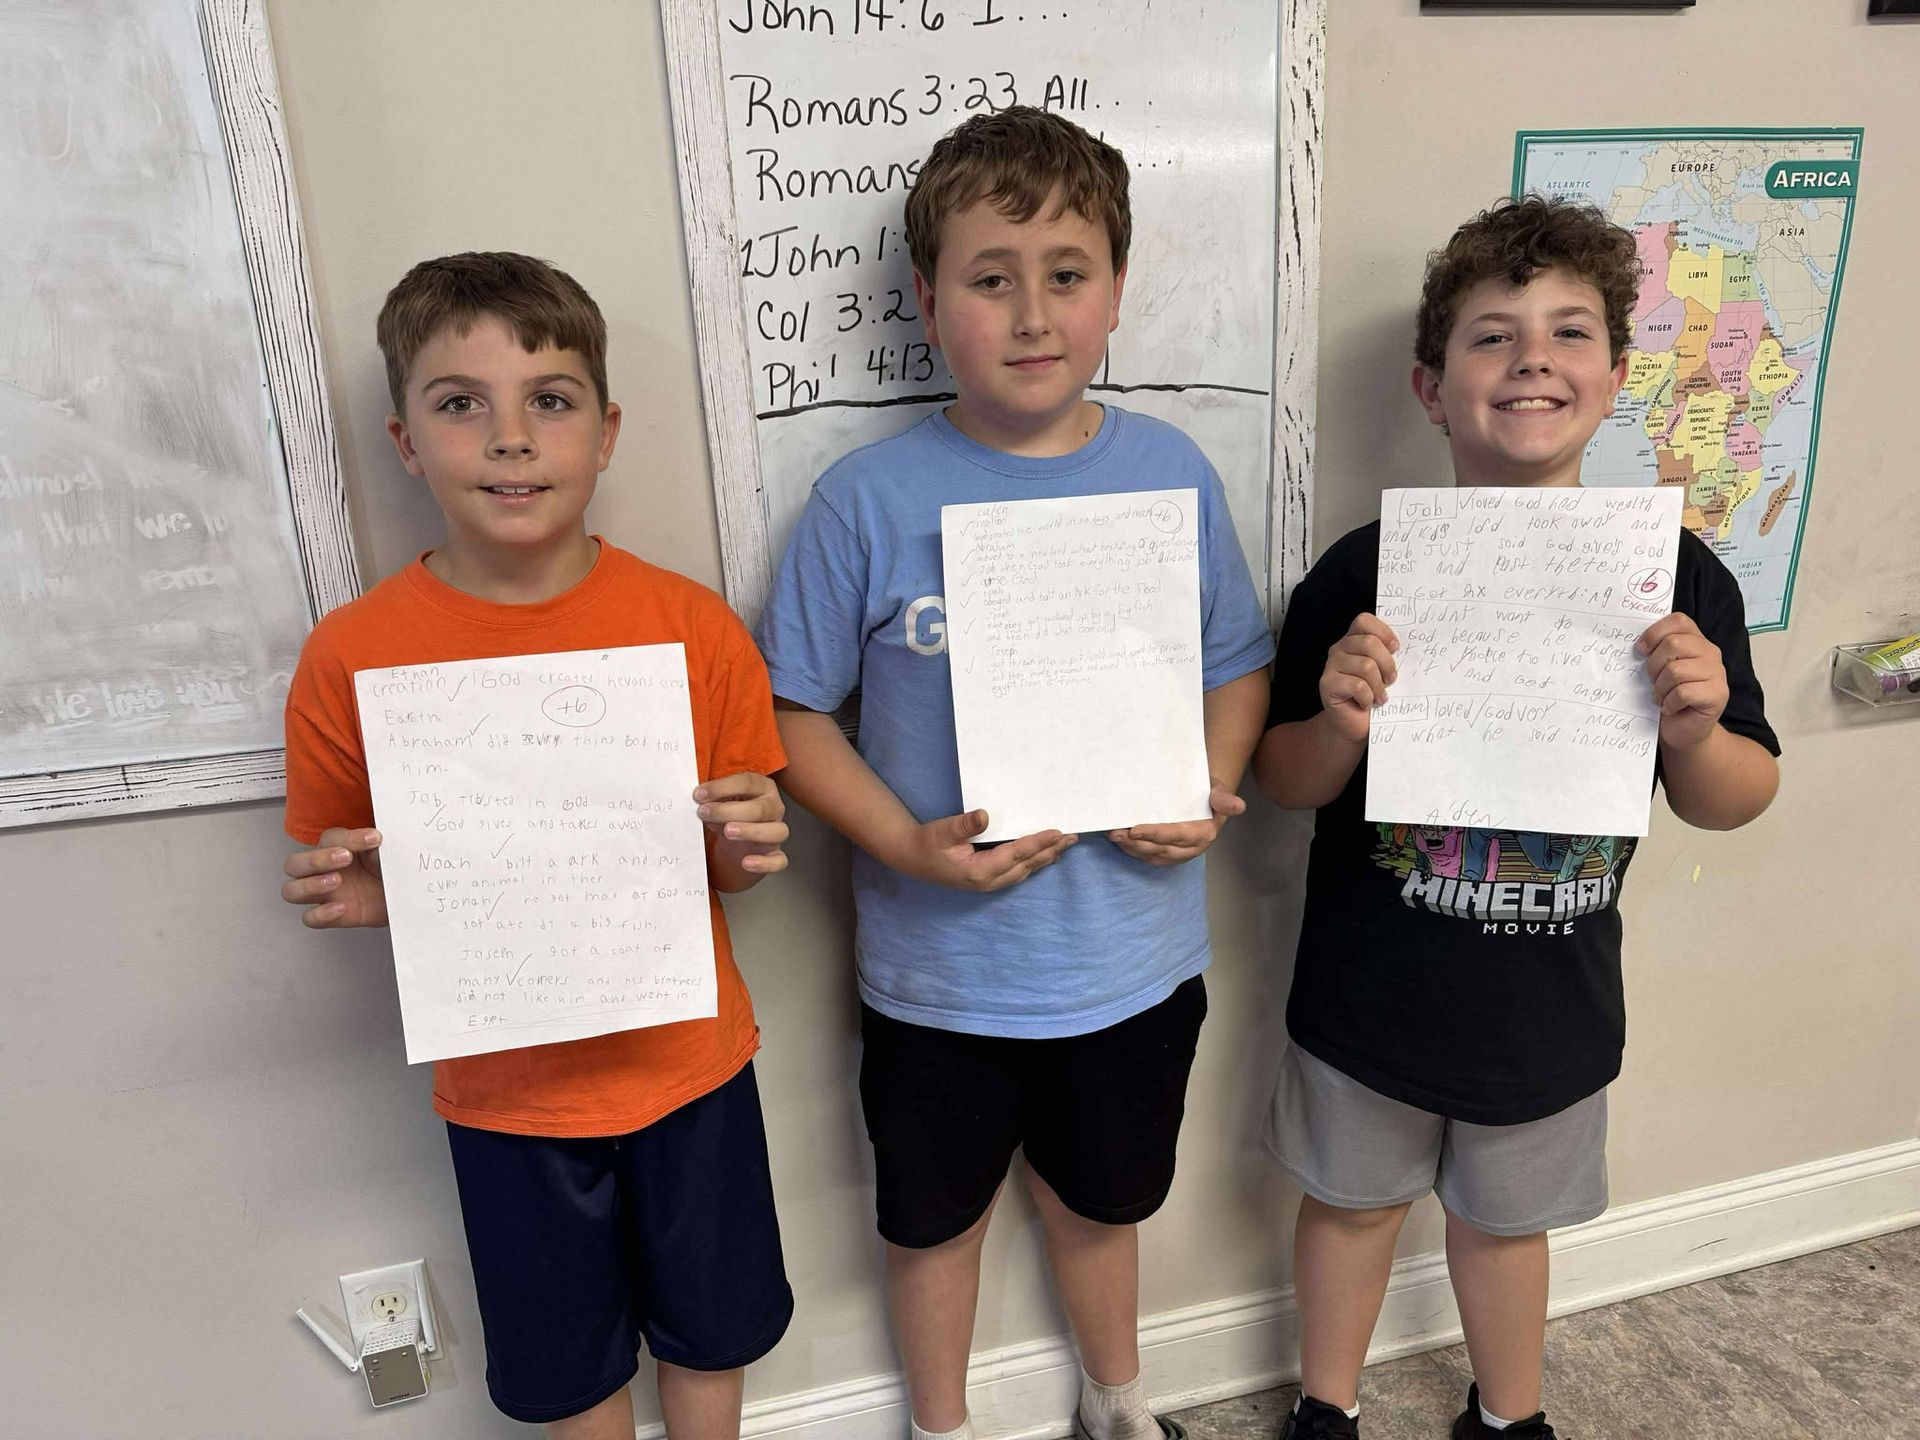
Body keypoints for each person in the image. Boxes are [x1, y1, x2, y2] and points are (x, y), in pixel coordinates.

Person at [755, 108, 1275, 1440]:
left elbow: (1234, 661)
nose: (1032, 312)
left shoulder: (1169, 475)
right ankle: (943, 1426)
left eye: (1067, 273)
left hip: (1128, 960)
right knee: (934, 1225)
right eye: (992, 279)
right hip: (941, 975)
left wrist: (1207, 786)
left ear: (1115, 290)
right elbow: (793, 712)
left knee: (1102, 1205)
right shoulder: (868, 501)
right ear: (933, 302)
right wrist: (904, 843)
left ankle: (1118, 1401)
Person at [1254, 197, 1781, 1440]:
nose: (1533, 358)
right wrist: (1335, 720)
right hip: (1369, 991)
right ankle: (1325, 1409)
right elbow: (1281, 781)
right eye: (1494, 337)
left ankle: (1510, 1416)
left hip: (1549, 1003)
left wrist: (1698, 725)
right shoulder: (1359, 570)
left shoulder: (1681, 577)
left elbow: (1737, 799)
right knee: (1348, 1204)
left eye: (1569, 333)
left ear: (1613, 377)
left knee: (1506, 1223)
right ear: (1433, 388)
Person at [278, 252, 793, 1440]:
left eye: (549, 400)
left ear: (605, 432)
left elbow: (725, 856)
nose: (512, 439)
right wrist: (364, 898)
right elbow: (362, 871)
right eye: (462, 404)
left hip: (690, 1065)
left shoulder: (688, 627)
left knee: (714, 1325)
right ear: (407, 442)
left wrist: (747, 840)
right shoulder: (353, 657)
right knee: (566, 1361)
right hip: (508, 1100)